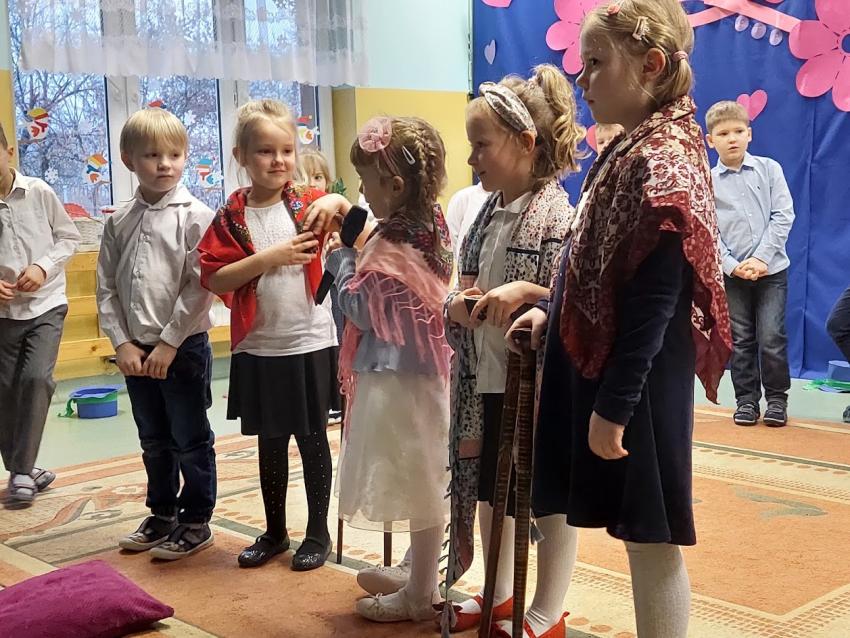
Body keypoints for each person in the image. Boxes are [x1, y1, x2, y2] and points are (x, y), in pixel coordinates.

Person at [508, 1, 732, 636]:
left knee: (650, 536)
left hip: (638, 381)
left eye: (596, 63)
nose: (582, 79)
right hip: (616, 372)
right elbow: (594, 259)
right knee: (638, 531)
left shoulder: (663, 160)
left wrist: (615, 406)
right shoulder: (633, 146)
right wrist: (551, 312)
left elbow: (655, 299)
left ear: (650, 65)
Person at [441, 64, 585, 636]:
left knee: (544, 497)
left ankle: (547, 608)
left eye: (482, 145)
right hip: (484, 378)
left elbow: (573, 302)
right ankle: (499, 591)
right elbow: (464, 284)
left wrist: (528, 294)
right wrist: (459, 305)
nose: (472, 158)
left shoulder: (558, 217)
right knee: (486, 488)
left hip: (535, 387)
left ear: (526, 144)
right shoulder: (484, 215)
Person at [318, 116, 454, 622]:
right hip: (424, 371)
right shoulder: (428, 223)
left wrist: (341, 261)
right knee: (421, 470)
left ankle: (419, 593)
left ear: (395, 186)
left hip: (398, 378)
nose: (362, 193)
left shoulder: (392, 244)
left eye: (366, 182)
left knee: (416, 478)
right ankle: (417, 568)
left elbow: (361, 308)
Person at [199, 99, 340, 572]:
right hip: (259, 345)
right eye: (264, 151)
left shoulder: (310, 202)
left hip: (309, 340)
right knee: (270, 442)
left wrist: (338, 203)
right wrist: (270, 257)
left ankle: (317, 532)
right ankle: (275, 531)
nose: (278, 160)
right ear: (240, 155)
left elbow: (361, 230)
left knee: (312, 439)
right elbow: (215, 278)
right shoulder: (230, 216)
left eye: (286, 150)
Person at [97, 108, 217, 559]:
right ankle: (162, 512)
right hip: (135, 350)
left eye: (175, 154)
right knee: (153, 438)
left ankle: (196, 519)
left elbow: (199, 285)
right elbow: (106, 288)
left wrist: (169, 343)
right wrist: (122, 342)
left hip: (182, 348)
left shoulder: (196, 216)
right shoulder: (118, 220)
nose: (165, 164)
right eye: (152, 155)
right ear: (128, 160)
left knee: (190, 437)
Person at [0, 124, 80, 508]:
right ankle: (26, 470)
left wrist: (43, 267)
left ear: (9, 152)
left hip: (46, 305)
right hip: (4, 314)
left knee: (35, 379)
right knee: (4, 391)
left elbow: (69, 237)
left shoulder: (39, 192)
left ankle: (19, 472)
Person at [705, 99, 795, 427]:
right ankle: (746, 400)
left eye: (738, 131)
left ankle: (777, 400)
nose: (732, 138)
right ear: (710, 140)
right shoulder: (707, 181)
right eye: (723, 133)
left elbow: (783, 215)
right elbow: (708, 230)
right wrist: (732, 264)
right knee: (741, 339)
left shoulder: (769, 170)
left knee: (771, 337)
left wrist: (760, 258)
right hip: (733, 276)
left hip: (772, 272)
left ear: (750, 134)